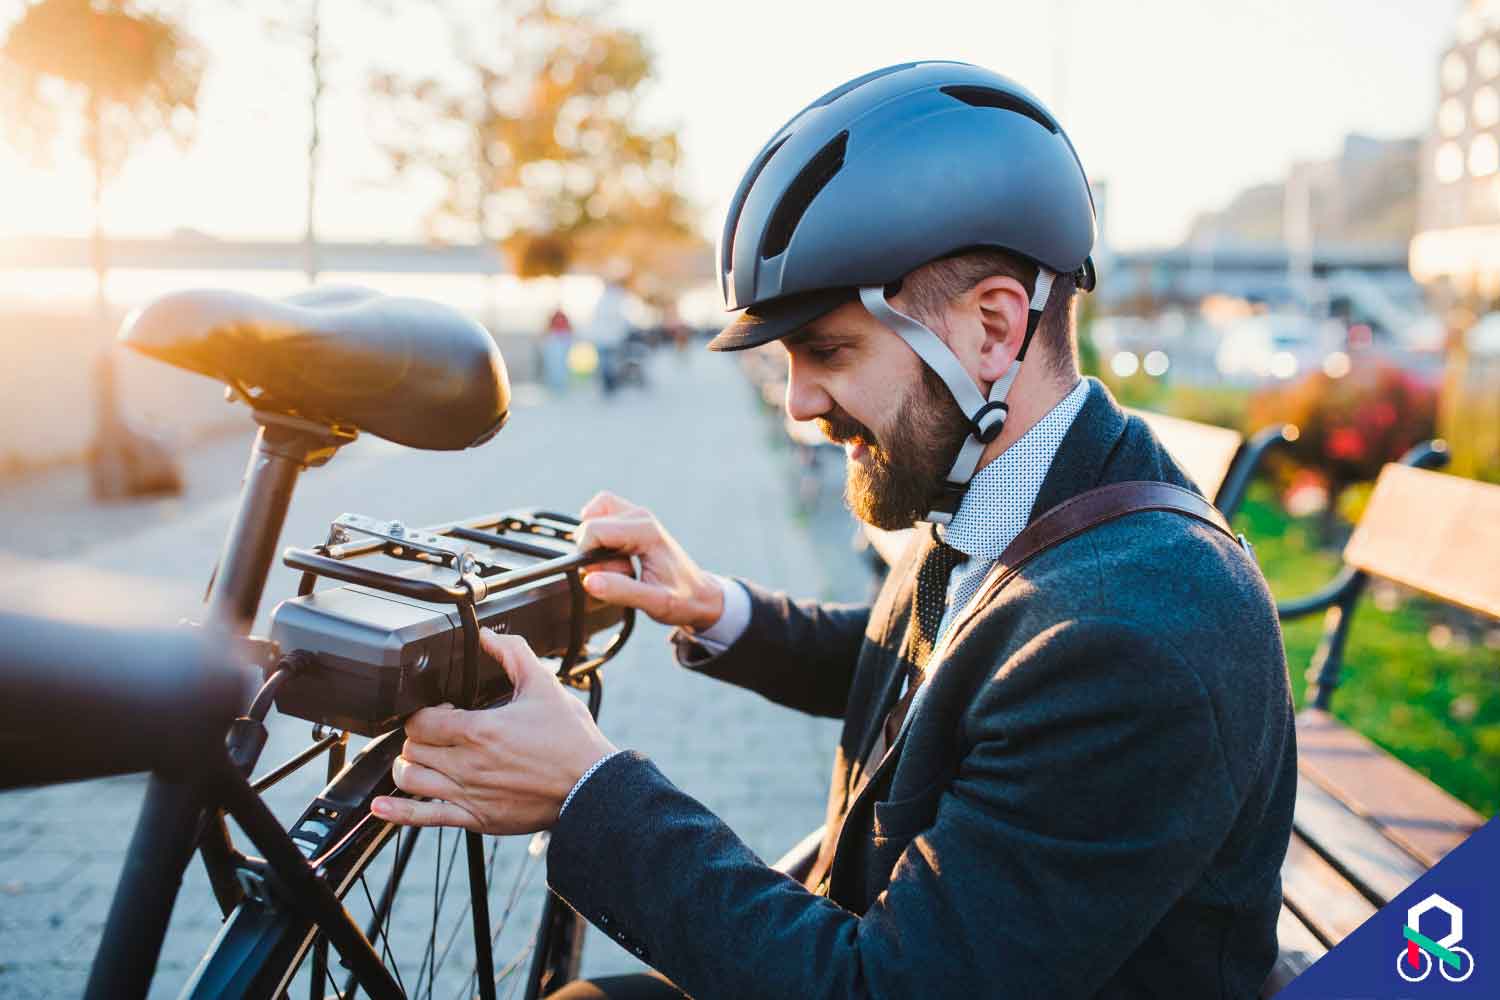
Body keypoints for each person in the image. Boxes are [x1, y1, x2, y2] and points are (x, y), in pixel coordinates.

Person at [372, 62, 1296, 998]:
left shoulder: (1134, 633)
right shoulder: (1020, 492)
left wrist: (586, 791)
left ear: (992, 330)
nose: (797, 406)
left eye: (827, 352)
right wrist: (714, 607)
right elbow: (942, 675)